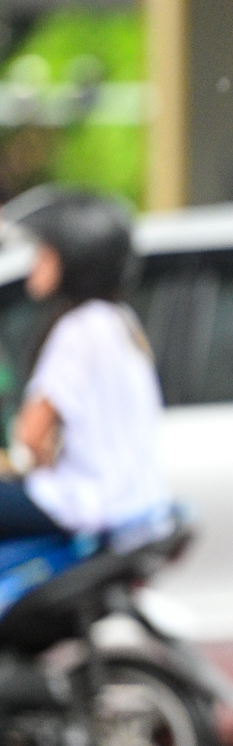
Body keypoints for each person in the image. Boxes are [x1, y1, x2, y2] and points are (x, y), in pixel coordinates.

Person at [0, 187, 169, 545]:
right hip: (137, 504)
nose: (35, 263)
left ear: (75, 259)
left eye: (45, 253)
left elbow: (31, 436)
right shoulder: (122, 322)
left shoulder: (78, 330)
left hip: (85, 504)